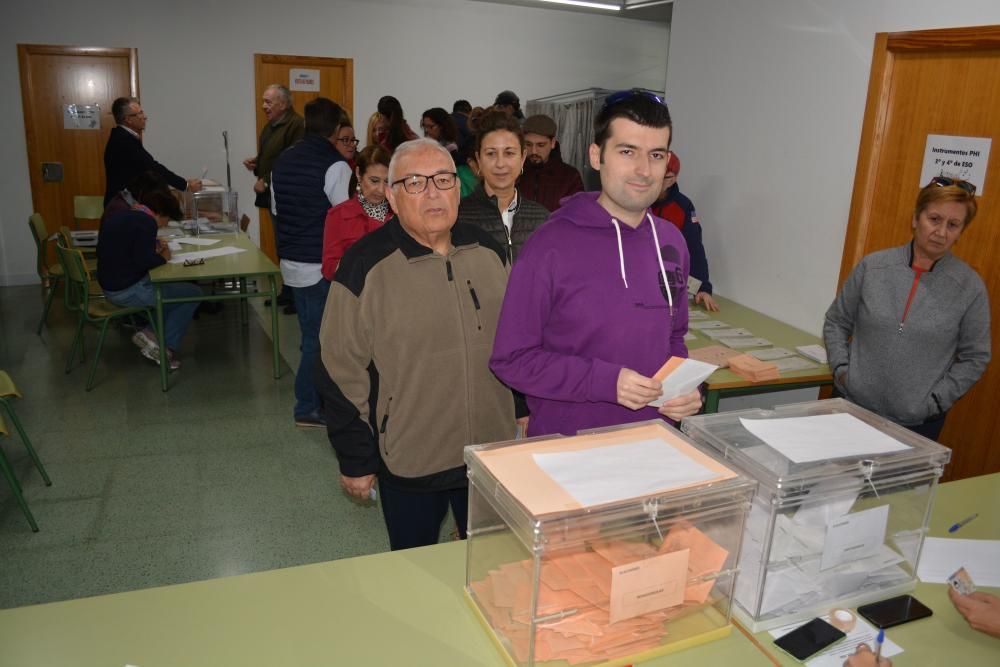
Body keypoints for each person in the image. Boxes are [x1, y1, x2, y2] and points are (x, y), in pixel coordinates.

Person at [316, 138, 518, 551]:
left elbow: (517, 339)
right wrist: (356, 457)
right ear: (391, 195)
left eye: (443, 180)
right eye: (415, 183)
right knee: (414, 571)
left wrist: (525, 407)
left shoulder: (490, 251)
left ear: (458, 188)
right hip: (410, 457)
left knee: (491, 563)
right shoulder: (365, 265)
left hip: (489, 454)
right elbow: (339, 367)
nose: (433, 193)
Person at [490, 90, 702, 437]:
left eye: (656, 155)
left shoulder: (672, 241)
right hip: (571, 449)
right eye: (627, 151)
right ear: (596, 155)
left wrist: (684, 389)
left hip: (655, 441)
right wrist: (604, 381)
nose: (644, 170)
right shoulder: (549, 246)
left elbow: (674, 337)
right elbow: (512, 359)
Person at [823, 177, 990, 440]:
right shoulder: (873, 267)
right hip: (849, 408)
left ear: (960, 232)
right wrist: (842, 372)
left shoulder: (969, 287)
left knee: (898, 483)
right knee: (829, 479)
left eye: (953, 225)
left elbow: (975, 357)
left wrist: (934, 402)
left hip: (916, 425)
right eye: (934, 219)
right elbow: (836, 321)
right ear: (916, 219)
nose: (942, 232)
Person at [270, 97, 352, 428]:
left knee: (310, 335)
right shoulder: (336, 165)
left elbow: (276, 211)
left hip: (292, 260)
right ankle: (307, 406)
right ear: (335, 129)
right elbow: (346, 217)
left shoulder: (282, 160)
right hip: (320, 264)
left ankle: (312, 401)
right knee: (318, 340)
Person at [97, 189, 201, 372]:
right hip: (127, 290)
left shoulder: (128, 214)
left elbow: (131, 251)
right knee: (192, 294)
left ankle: (150, 334)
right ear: (160, 213)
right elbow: (144, 261)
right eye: (166, 221)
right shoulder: (146, 222)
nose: (163, 225)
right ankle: (164, 348)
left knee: (169, 292)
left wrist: (152, 249)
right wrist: (164, 257)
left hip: (110, 284)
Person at [243, 84, 305, 311]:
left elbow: (292, 161)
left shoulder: (297, 125)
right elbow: (273, 155)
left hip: (289, 197)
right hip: (274, 198)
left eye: (268, 102)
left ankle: (297, 296)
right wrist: (257, 162)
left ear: (284, 103)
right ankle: (287, 291)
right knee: (282, 246)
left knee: (290, 247)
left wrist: (267, 180)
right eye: (263, 101)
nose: (263, 106)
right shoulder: (272, 126)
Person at [457, 110, 549, 263]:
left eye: (509, 153)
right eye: (491, 154)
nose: (500, 163)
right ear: (479, 159)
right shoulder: (458, 217)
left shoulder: (542, 218)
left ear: (522, 157)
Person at [651, 152, 719, 311]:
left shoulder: (683, 207)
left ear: (672, 179)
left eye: (662, 177)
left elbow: (694, 248)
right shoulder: (636, 202)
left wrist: (703, 288)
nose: (655, 181)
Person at [103, 97, 201, 205]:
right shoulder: (123, 140)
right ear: (128, 119)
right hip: (120, 206)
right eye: (139, 114)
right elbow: (152, 167)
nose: (144, 117)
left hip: (123, 203)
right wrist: (185, 185)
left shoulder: (123, 136)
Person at [321, 145, 392, 280]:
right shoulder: (338, 215)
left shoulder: (398, 215)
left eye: (387, 182)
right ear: (359, 174)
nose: (381, 190)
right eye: (374, 181)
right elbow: (328, 268)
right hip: (355, 295)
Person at [519, 113, 584, 213]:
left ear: (553, 142)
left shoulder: (570, 177)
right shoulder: (515, 173)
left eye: (540, 145)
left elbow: (577, 215)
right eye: (528, 144)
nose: (534, 151)